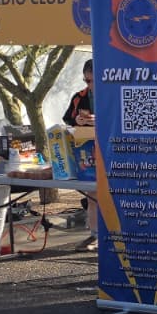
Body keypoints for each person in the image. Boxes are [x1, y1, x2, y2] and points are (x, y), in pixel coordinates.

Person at [64, 59, 97, 248]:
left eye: (92, 81)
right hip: (87, 152)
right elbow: (68, 119)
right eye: (86, 81)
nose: (89, 85)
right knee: (92, 195)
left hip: (115, 152)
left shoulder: (115, 92)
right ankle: (95, 235)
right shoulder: (79, 97)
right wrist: (77, 119)